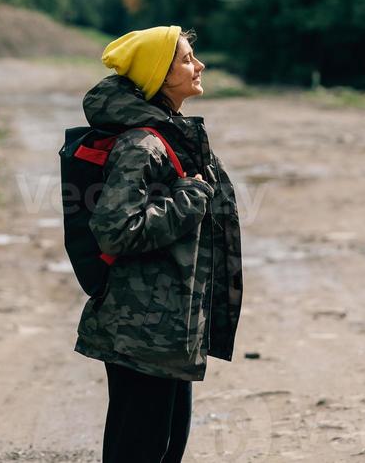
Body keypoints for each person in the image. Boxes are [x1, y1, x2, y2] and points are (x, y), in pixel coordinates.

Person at [74, 24, 243, 463]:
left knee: (165, 447)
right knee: (141, 450)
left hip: (167, 327)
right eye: (187, 59)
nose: (199, 65)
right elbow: (117, 228)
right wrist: (191, 196)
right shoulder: (142, 144)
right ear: (158, 76)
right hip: (142, 329)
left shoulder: (171, 133)